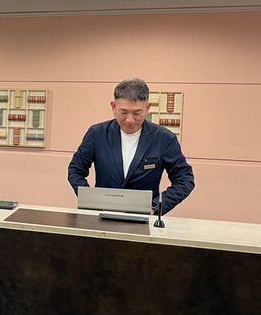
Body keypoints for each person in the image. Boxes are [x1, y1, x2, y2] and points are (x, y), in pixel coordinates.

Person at [67, 78, 194, 214]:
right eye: (123, 112)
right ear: (113, 107)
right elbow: (75, 170)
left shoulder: (164, 138)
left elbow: (185, 180)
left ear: (147, 108)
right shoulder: (96, 134)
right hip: (101, 216)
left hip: (144, 218)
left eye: (137, 113)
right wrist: (91, 201)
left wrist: (155, 207)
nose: (130, 119)